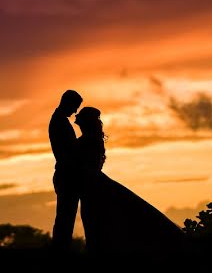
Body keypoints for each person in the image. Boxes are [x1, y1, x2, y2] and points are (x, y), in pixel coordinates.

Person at [74, 106, 185, 253]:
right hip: (93, 185)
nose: (77, 121)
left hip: (93, 187)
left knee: (96, 220)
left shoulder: (89, 140)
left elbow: (90, 164)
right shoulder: (92, 140)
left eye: (80, 120)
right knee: (97, 220)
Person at [48, 89, 83, 251]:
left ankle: (61, 250)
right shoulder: (59, 122)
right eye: (75, 106)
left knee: (66, 218)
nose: (75, 111)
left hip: (66, 174)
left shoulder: (60, 120)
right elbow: (67, 152)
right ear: (67, 103)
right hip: (66, 175)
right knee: (65, 218)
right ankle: (60, 252)